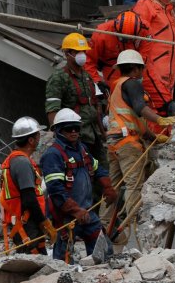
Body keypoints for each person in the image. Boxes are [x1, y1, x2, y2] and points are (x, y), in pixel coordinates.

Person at [101, 50, 175, 237]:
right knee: (134, 184)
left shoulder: (117, 86)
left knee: (113, 187)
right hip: (128, 145)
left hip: (114, 143)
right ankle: (130, 226)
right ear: (135, 69)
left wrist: (154, 138)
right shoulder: (132, 84)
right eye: (141, 68)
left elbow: (134, 121)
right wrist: (160, 120)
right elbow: (140, 108)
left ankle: (103, 226)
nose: (142, 72)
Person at [41, 109, 118, 263]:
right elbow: (56, 190)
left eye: (77, 128)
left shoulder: (82, 149)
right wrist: (76, 210)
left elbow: (98, 169)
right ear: (58, 130)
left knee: (104, 253)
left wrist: (108, 187)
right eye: (69, 128)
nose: (74, 131)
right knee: (63, 262)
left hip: (87, 213)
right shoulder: (53, 155)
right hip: (65, 217)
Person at [46, 33, 107, 174]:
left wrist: (103, 133)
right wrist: (61, 138)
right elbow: (52, 110)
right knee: (82, 172)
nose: (82, 55)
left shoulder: (87, 76)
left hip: (93, 135)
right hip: (75, 136)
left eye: (84, 51)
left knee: (101, 171)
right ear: (67, 54)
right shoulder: (58, 78)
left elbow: (95, 106)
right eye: (77, 52)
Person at [131, 0, 175, 131]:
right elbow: (136, 38)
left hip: (169, 73)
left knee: (167, 108)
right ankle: (155, 140)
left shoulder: (169, 11)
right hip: (152, 70)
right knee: (159, 106)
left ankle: (163, 139)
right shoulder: (145, 6)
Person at [0, 117, 56, 255]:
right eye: (37, 136)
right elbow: (29, 198)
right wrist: (44, 222)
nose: (39, 139)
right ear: (30, 140)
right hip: (27, 225)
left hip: (25, 223)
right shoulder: (22, 163)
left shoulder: (15, 160)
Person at [85, 11, 144, 92]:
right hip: (110, 69)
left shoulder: (145, 32)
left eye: (129, 39)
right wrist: (97, 81)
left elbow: (146, 55)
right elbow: (89, 60)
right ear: (116, 30)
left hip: (134, 69)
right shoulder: (101, 34)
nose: (126, 41)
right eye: (123, 38)